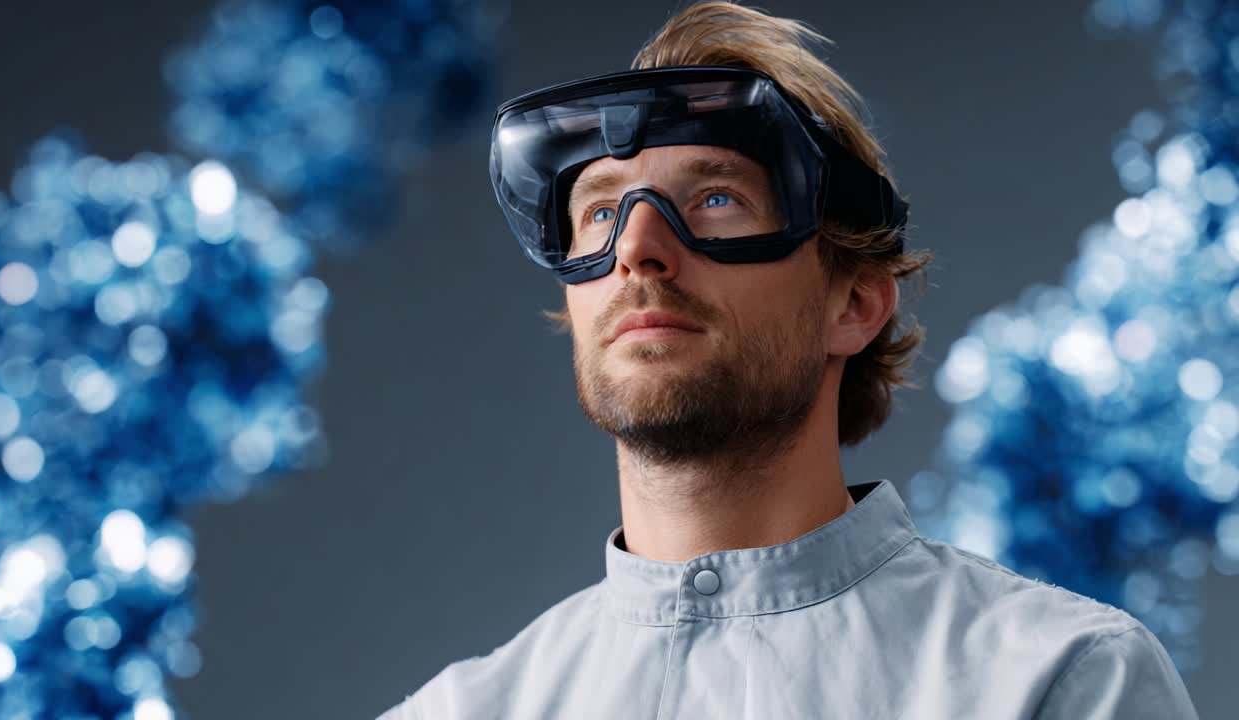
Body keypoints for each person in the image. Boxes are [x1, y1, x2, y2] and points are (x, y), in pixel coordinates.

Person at [378, 2, 1199, 717]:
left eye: (716, 200)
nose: (637, 248)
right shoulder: (456, 712)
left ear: (853, 305)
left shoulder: (1061, 683)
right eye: (597, 213)